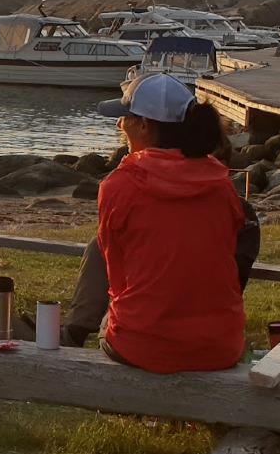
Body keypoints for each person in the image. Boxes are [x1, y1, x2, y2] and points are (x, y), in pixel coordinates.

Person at [79, 74, 254, 373]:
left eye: (125, 118)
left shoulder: (118, 186)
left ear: (144, 125)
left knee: (110, 287)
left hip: (142, 345)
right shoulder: (222, 185)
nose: (119, 126)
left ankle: (74, 330)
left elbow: (116, 275)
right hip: (219, 346)